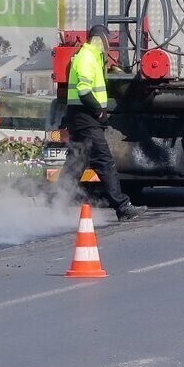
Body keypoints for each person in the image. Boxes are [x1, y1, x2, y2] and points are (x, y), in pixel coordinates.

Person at [57, 24, 147, 221]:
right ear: (100, 39)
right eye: (109, 40)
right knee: (104, 161)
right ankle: (122, 207)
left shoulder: (91, 57)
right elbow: (84, 90)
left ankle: (55, 204)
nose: (110, 44)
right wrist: (98, 111)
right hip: (86, 117)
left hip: (80, 116)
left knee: (76, 163)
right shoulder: (87, 57)